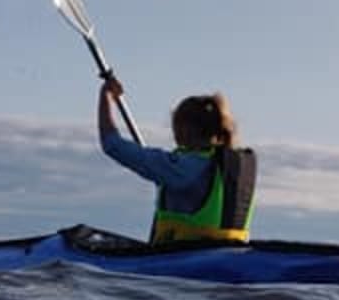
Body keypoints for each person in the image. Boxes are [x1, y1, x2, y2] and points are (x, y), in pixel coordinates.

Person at [97, 74, 257, 244]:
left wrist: (105, 97)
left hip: (184, 256)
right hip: (226, 253)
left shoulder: (183, 167)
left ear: (185, 129)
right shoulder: (229, 167)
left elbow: (112, 145)